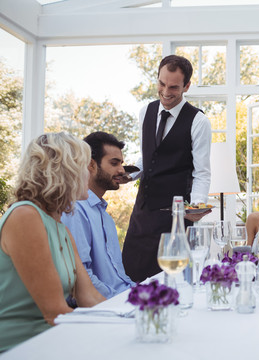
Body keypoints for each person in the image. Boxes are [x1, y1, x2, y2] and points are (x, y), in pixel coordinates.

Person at [0, 132, 105, 352]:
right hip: (21, 347)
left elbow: (90, 297)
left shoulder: (61, 228)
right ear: (66, 171)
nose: (90, 173)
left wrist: (131, 320)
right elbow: (54, 312)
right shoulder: (25, 217)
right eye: (86, 166)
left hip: (52, 341)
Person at [122, 55, 212, 282]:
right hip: (142, 214)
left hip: (175, 218)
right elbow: (147, 159)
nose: (165, 92)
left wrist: (197, 207)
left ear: (186, 86)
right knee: (131, 277)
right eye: (162, 84)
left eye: (173, 87)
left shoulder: (198, 121)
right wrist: (127, 175)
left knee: (171, 281)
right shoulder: (146, 112)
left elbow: (201, 172)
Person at [61, 132, 135, 299]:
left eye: (121, 164)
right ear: (91, 165)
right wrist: (121, 300)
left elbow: (119, 278)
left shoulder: (105, 218)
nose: (122, 170)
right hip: (105, 306)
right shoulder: (75, 210)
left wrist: (138, 292)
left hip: (122, 298)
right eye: (114, 163)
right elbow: (82, 279)